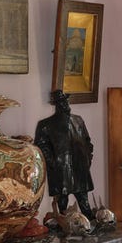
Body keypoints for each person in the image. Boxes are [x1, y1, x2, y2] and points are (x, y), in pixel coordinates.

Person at [34, 90, 96, 220]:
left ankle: (89, 221)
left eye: (66, 101)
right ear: (56, 105)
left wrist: (88, 158)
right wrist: (53, 162)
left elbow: (87, 141)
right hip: (60, 168)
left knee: (83, 198)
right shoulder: (46, 125)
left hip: (79, 167)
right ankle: (63, 222)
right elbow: (41, 146)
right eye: (62, 102)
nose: (66, 105)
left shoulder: (78, 120)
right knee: (62, 199)